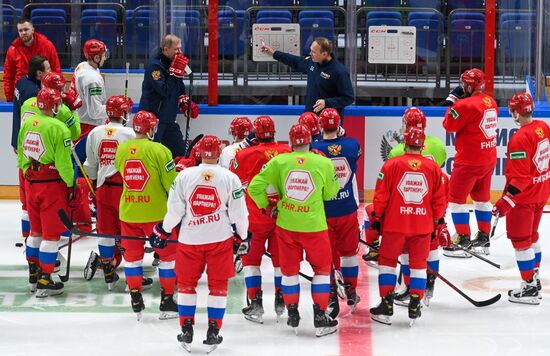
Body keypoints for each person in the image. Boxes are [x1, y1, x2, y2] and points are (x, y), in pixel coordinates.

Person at [149, 135, 249, 353]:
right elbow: (239, 214)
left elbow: (175, 210)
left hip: (189, 240)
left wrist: (164, 230)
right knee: (218, 286)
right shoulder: (230, 178)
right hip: (219, 239)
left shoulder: (184, 176)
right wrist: (242, 236)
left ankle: (186, 328)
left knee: (186, 284)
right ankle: (214, 330)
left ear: (199, 152)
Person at [248, 123, 340, 337]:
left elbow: (254, 187)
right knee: (322, 271)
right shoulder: (323, 163)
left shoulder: (278, 161)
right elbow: (330, 194)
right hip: (315, 227)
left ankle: (292, 312)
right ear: (310, 140)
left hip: (286, 225)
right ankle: (319, 315)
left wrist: (267, 206)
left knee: (289, 271)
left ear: (289, 142)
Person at [369, 127, 449, 326]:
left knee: (387, 263)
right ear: (422, 145)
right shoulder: (433, 169)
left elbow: (380, 198)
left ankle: (386, 305)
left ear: (405, 143)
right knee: (418, 265)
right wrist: (437, 221)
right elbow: (439, 201)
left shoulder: (391, 164)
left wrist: (377, 217)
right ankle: (415, 303)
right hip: (422, 227)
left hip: (394, 226)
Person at [114, 110, 178, 320]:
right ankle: (167, 300)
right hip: (157, 215)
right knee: (168, 259)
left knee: (132, 260)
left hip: (129, 213)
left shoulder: (122, 149)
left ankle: (135, 297)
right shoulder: (160, 150)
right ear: (151, 128)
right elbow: (171, 184)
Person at [383, 107, 448, 306]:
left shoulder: (396, 152)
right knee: (432, 244)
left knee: (405, 248)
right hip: (432, 201)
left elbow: (390, 181)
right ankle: (429, 284)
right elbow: (440, 171)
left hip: (407, 205)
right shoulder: (436, 144)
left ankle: (410, 287)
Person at [231, 115, 292, 323]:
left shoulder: (243, 155)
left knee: (251, 261)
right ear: (274, 132)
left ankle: (256, 302)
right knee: (280, 261)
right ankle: (281, 297)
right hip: (281, 216)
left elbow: (235, 184)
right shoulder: (287, 151)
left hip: (254, 217)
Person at [493, 93, 549, 305]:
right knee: (532, 236)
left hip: (524, 199)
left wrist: (506, 201)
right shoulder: (543, 127)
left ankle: (529, 288)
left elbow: (520, 177)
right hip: (541, 192)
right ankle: (533, 281)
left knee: (521, 242)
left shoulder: (519, 139)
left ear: (516, 112)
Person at [17, 88, 74, 297]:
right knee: (51, 236)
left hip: (31, 183)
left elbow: (22, 154)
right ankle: (45, 279)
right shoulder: (59, 128)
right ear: (54, 106)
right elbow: (64, 163)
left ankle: (33, 275)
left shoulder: (27, 124)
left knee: (35, 232)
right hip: (52, 187)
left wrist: (26, 172)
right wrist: (70, 184)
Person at [310, 108, 362, 318]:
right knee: (349, 254)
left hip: (324, 210)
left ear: (321, 125)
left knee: (328, 257)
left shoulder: (314, 148)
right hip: (347, 207)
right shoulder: (352, 144)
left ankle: (331, 295)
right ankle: (350, 290)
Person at [442, 68, 499, 257]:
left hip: (468, 162)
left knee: (456, 201)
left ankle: (463, 239)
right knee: (482, 199)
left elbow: (448, 125)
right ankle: (484, 238)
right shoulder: (490, 101)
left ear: (468, 85)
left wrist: (452, 102)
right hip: (488, 159)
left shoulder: (465, 105)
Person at [83, 95, 135, 291]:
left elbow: (90, 164)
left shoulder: (95, 132)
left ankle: (108, 272)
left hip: (102, 188)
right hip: (125, 190)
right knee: (129, 232)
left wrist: (95, 185)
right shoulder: (130, 133)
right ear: (123, 113)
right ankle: (133, 275)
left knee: (105, 231)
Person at [260, 37, 354, 119]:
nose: (310, 53)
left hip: (330, 122)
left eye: (313, 52)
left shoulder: (339, 71)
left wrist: (327, 103)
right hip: (310, 118)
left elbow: (348, 98)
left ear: (324, 54)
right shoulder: (312, 62)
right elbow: (294, 60)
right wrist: (273, 53)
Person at [11, 56, 51, 242]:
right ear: (39, 73)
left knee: (25, 188)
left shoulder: (21, 82)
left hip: (21, 143)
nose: (50, 71)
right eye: (48, 69)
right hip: (32, 149)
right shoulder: (33, 94)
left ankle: (28, 233)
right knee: (30, 190)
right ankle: (32, 234)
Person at [138, 34, 198, 157]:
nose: (179, 52)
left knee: (180, 154)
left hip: (169, 119)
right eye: (176, 49)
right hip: (152, 121)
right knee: (149, 155)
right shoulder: (155, 65)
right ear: (166, 49)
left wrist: (183, 100)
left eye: (180, 48)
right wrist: (174, 74)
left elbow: (178, 85)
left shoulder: (174, 63)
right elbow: (164, 90)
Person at [3, 19, 61, 102]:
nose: (23, 33)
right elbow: (8, 77)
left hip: (45, 93)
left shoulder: (47, 46)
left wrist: (55, 94)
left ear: (33, 30)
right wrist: (10, 99)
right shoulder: (12, 50)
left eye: (26, 29)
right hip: (21, 94)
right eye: (20, 30)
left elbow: (56, 71)